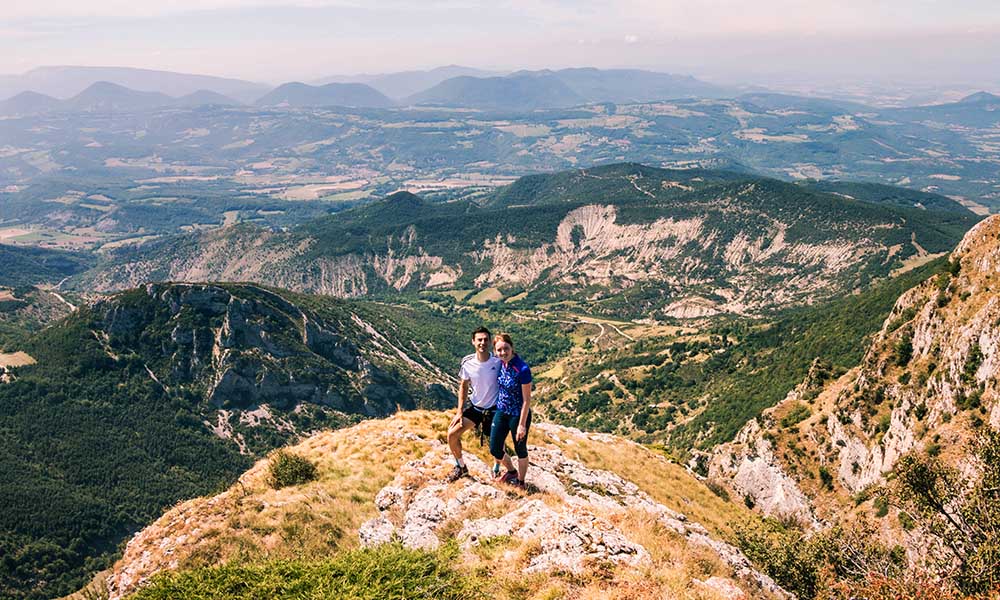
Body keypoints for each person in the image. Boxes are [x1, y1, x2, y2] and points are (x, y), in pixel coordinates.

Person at [445, 326, 505, 482]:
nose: (482, 343)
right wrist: (459, 412)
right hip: (476, 409)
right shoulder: (467, 363)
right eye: (479, 340)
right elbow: (463, 386)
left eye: (486, 340)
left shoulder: (498, 361)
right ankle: (461, 467)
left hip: (494, 410)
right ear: (473, 341)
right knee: (452, 434)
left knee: (497, 444)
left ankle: (497, 468)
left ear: (490, 341)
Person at [489, 332, 532, 488]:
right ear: (495, 351)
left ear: (512, 348)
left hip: (517, 414)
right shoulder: (501, 364)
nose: (503, 353)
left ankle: (521, 482)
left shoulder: (522, 369)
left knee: (520, 448)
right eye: (499, 350)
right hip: (501, 411)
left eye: (506, 348)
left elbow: (527, 399)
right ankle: (511, 471)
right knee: (494, 448)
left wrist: (522, 425)